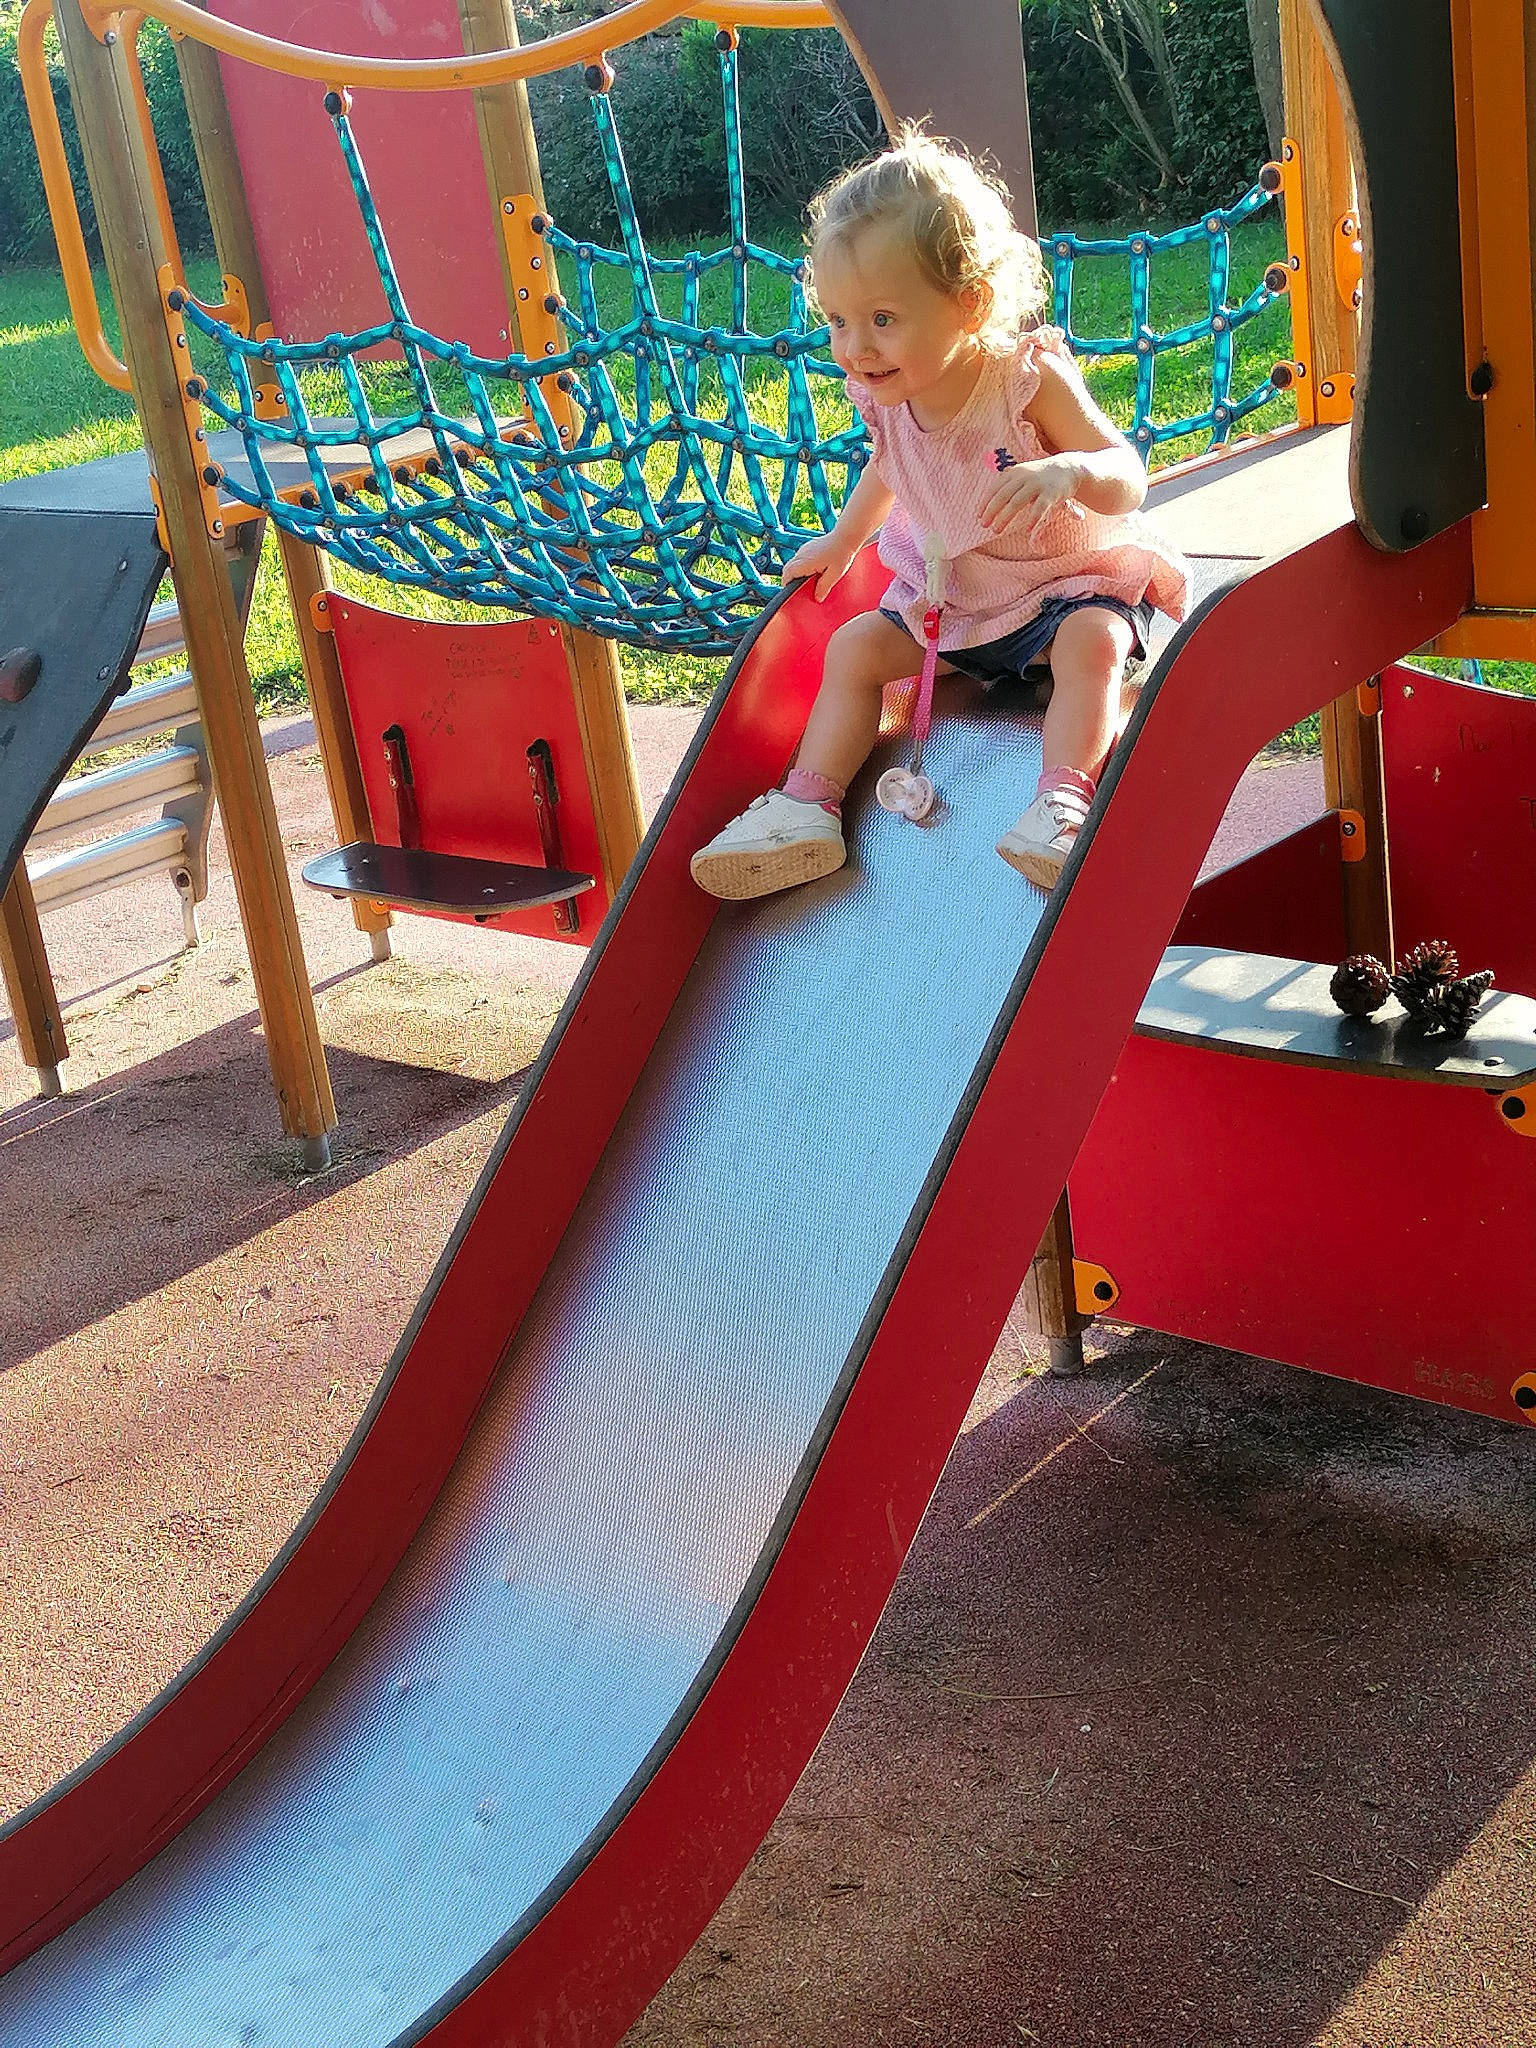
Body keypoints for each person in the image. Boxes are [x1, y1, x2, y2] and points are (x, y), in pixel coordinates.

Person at [690, 129, 1187, 899]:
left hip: (1061, 591)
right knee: (854, 649)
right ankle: (809, 804)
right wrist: (844, 538)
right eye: (838, 321)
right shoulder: (888, 394)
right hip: (957, 606)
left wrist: (1069, 470)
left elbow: (1128, 477)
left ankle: (1062, 806)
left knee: (1093, 643)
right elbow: (888, 466)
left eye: (883, 318)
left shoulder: (1024, 380)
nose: (856, 347)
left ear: (970, 303)